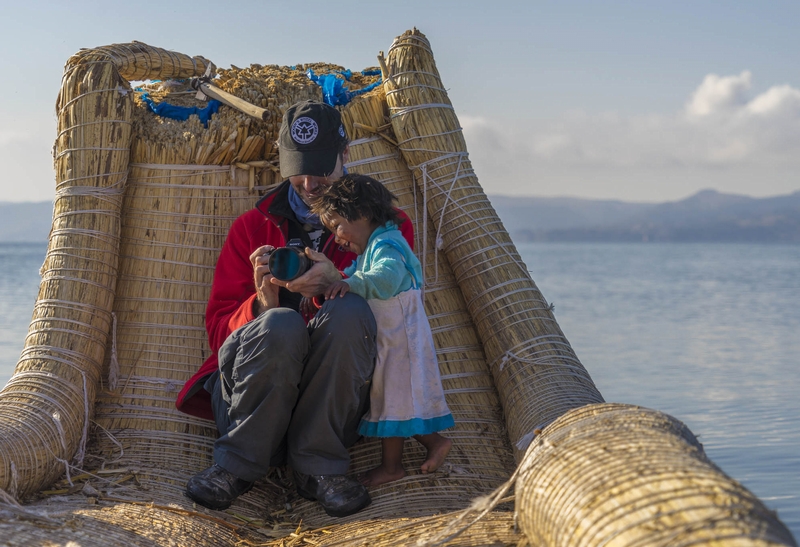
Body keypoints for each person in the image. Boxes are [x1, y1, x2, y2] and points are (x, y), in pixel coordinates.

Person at [175, 100, 414, 517]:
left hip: (336, 405)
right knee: (280, 324)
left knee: (348, 313)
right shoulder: (252, 228)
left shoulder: (384, 228)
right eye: (297, 169)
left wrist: (335, 285)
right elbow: (217, 334)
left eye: (320, 168)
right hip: (249, 400)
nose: (308, 183)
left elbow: (398, 315)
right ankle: (236, 465)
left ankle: (319, 468)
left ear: (345, 153)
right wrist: (261, 304)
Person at [312, 174, 454, 487]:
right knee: (397, 401)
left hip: (402, 343)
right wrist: (334, 279)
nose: (336, 238)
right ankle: (435, 442)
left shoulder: (388, 245)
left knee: (393, 401)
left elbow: (385, 279)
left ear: (362, 214)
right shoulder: (372, 248)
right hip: (393, 341)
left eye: (337, 226)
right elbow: (355, 274)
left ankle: (392, 468)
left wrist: (350, 284)